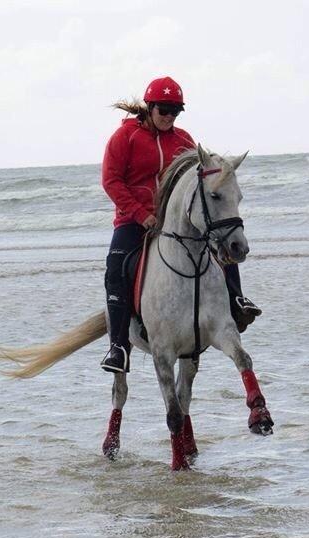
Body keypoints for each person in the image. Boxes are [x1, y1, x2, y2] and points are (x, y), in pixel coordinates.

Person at [100, 76, 262, 373]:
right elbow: (111, 182)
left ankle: (236, 299)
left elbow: (202, 175)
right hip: (133, 220)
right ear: (150, 107)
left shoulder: (184, 140)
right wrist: (140, 214)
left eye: (176, 111)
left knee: (221, 239)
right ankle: (119, 347)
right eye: (164, 110)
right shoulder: (124, 138)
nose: (169, 117)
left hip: (174, 220)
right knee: (116, 268)